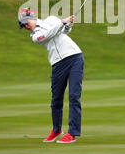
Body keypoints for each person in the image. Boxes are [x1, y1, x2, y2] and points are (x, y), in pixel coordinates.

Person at [18, 8, 84, 144]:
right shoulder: (35, 36)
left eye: (26, 22)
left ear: (33, 17)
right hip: (57, 64)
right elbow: (48, 34)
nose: (26, 26)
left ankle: (72, 133)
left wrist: (68, 23)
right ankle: (56, 130)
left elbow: (65, 31)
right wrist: (62, 22)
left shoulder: (51, 20)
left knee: (74, 96)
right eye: (23, 25)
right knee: (56, 99)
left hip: (74, 57)